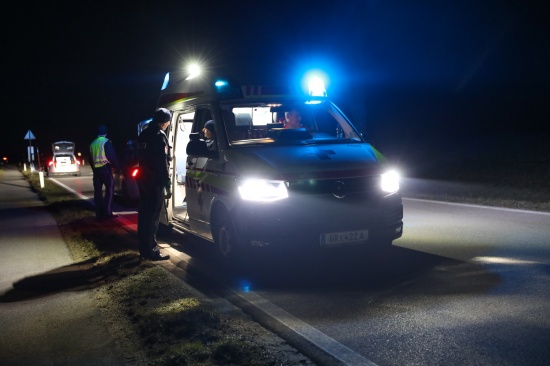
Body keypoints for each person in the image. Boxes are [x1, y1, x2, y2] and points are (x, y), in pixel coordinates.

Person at [136, 108, 172, 261]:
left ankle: (144, 249)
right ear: (165, 122)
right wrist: (167, 183)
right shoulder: (159, 136)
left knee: (144, 215)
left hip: (143, 178)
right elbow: (161, 162)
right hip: (154, 181)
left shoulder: (144, 133)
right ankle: (152, 251)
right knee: (153, 217)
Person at [89, 125, 119, 220]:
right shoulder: (107, 142)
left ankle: (99, 214)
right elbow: (111, 156)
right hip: (106, 169)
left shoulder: (92, 143)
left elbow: (90, 159)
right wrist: (117, 166)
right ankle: (107, 213)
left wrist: (94, 168)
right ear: (106, 133)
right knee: (109, 191)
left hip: (96, 171)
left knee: (97, 193)